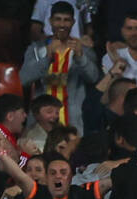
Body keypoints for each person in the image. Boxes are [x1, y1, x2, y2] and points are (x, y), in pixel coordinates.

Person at [19, 2, 100, 134]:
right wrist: (46, 57)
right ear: (50, 21)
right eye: (58, 19)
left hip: (73, 122)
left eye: (66, 20)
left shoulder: (83, 50)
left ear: (73, 22)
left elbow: (93, 78)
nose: (62, 25)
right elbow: (24, 79)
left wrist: (80, 57)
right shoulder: (36, 49)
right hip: (40, 122)